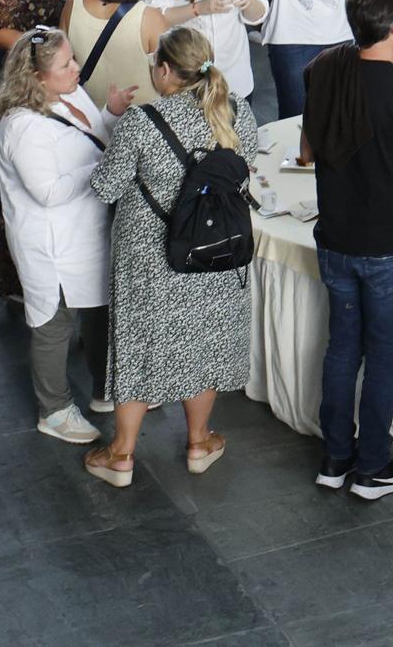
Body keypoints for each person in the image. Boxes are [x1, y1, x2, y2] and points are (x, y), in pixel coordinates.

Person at [84, 27, 262, 487]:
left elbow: (105, 188)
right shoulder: (237, 109)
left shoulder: (144, 121)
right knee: (201, 340)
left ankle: (121, 455)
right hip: (213, 251)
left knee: (140, 345)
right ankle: (199, 444)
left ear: (165, 71)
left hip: (150, 256)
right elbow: (249, 161)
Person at [295, 0, 393, 499]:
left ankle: (335, 458)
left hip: (336, 239)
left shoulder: (327, 77)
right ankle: (373, 467)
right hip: (389, 247)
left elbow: (307, 152)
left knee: (342, 349)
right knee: (382, 357)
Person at [0, 28, 128, 443]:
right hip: (53, 245)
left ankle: (105, 389)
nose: (77, 68)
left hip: (87, 232)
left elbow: (88, 138)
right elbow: (48, 191)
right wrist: (110, 163)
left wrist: (110, 112)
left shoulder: (71, 94)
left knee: (100, 309)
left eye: (72, 58)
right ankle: (54, 409)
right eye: (66, 64)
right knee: (54, 324)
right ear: (35, 78)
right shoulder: (23, 128)